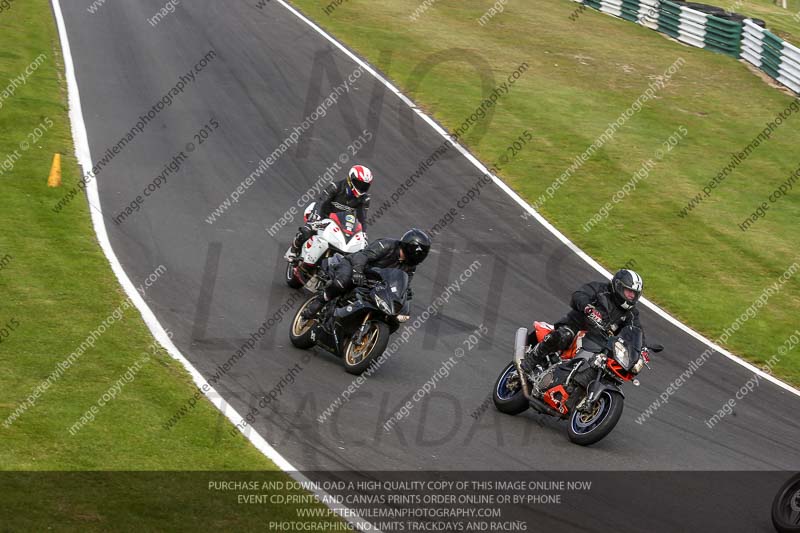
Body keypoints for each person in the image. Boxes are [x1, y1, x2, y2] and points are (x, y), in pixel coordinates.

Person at [523, 269, 645, 371]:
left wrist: (642, 349)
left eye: (635, 294)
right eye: (629, 291)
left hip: (600, 342)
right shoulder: (600, 290)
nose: (632, 296)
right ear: (618, 286)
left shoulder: (631, 314)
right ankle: (533, 358)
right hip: (576, 326)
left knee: (611, 366)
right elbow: (579, 295)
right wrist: (587, 307)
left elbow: (636, 330)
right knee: (564, 335)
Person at [301, 229, 431, 319]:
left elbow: (404, 282)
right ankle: (320, 301)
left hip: (375, 282)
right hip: (355, 265)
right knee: (343, 282)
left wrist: (405, 294)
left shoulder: (411, 266)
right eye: (418, 252)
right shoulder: (387, 245)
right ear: (410, 248)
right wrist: (358, 270)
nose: (419, 255)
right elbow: (363, 256)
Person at [286, 165, 373, 259]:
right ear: (350, 179)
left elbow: (362, 218)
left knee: (353, 247)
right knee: (308, 230)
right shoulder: (335, 187)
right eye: (359, 184)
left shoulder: (364, 199)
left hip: (342, 222)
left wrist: (363, 234)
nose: (361, 188)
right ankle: (294, 249)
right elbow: (321, 202)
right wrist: (315, 220)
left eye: (365, 186)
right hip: (323, 215)